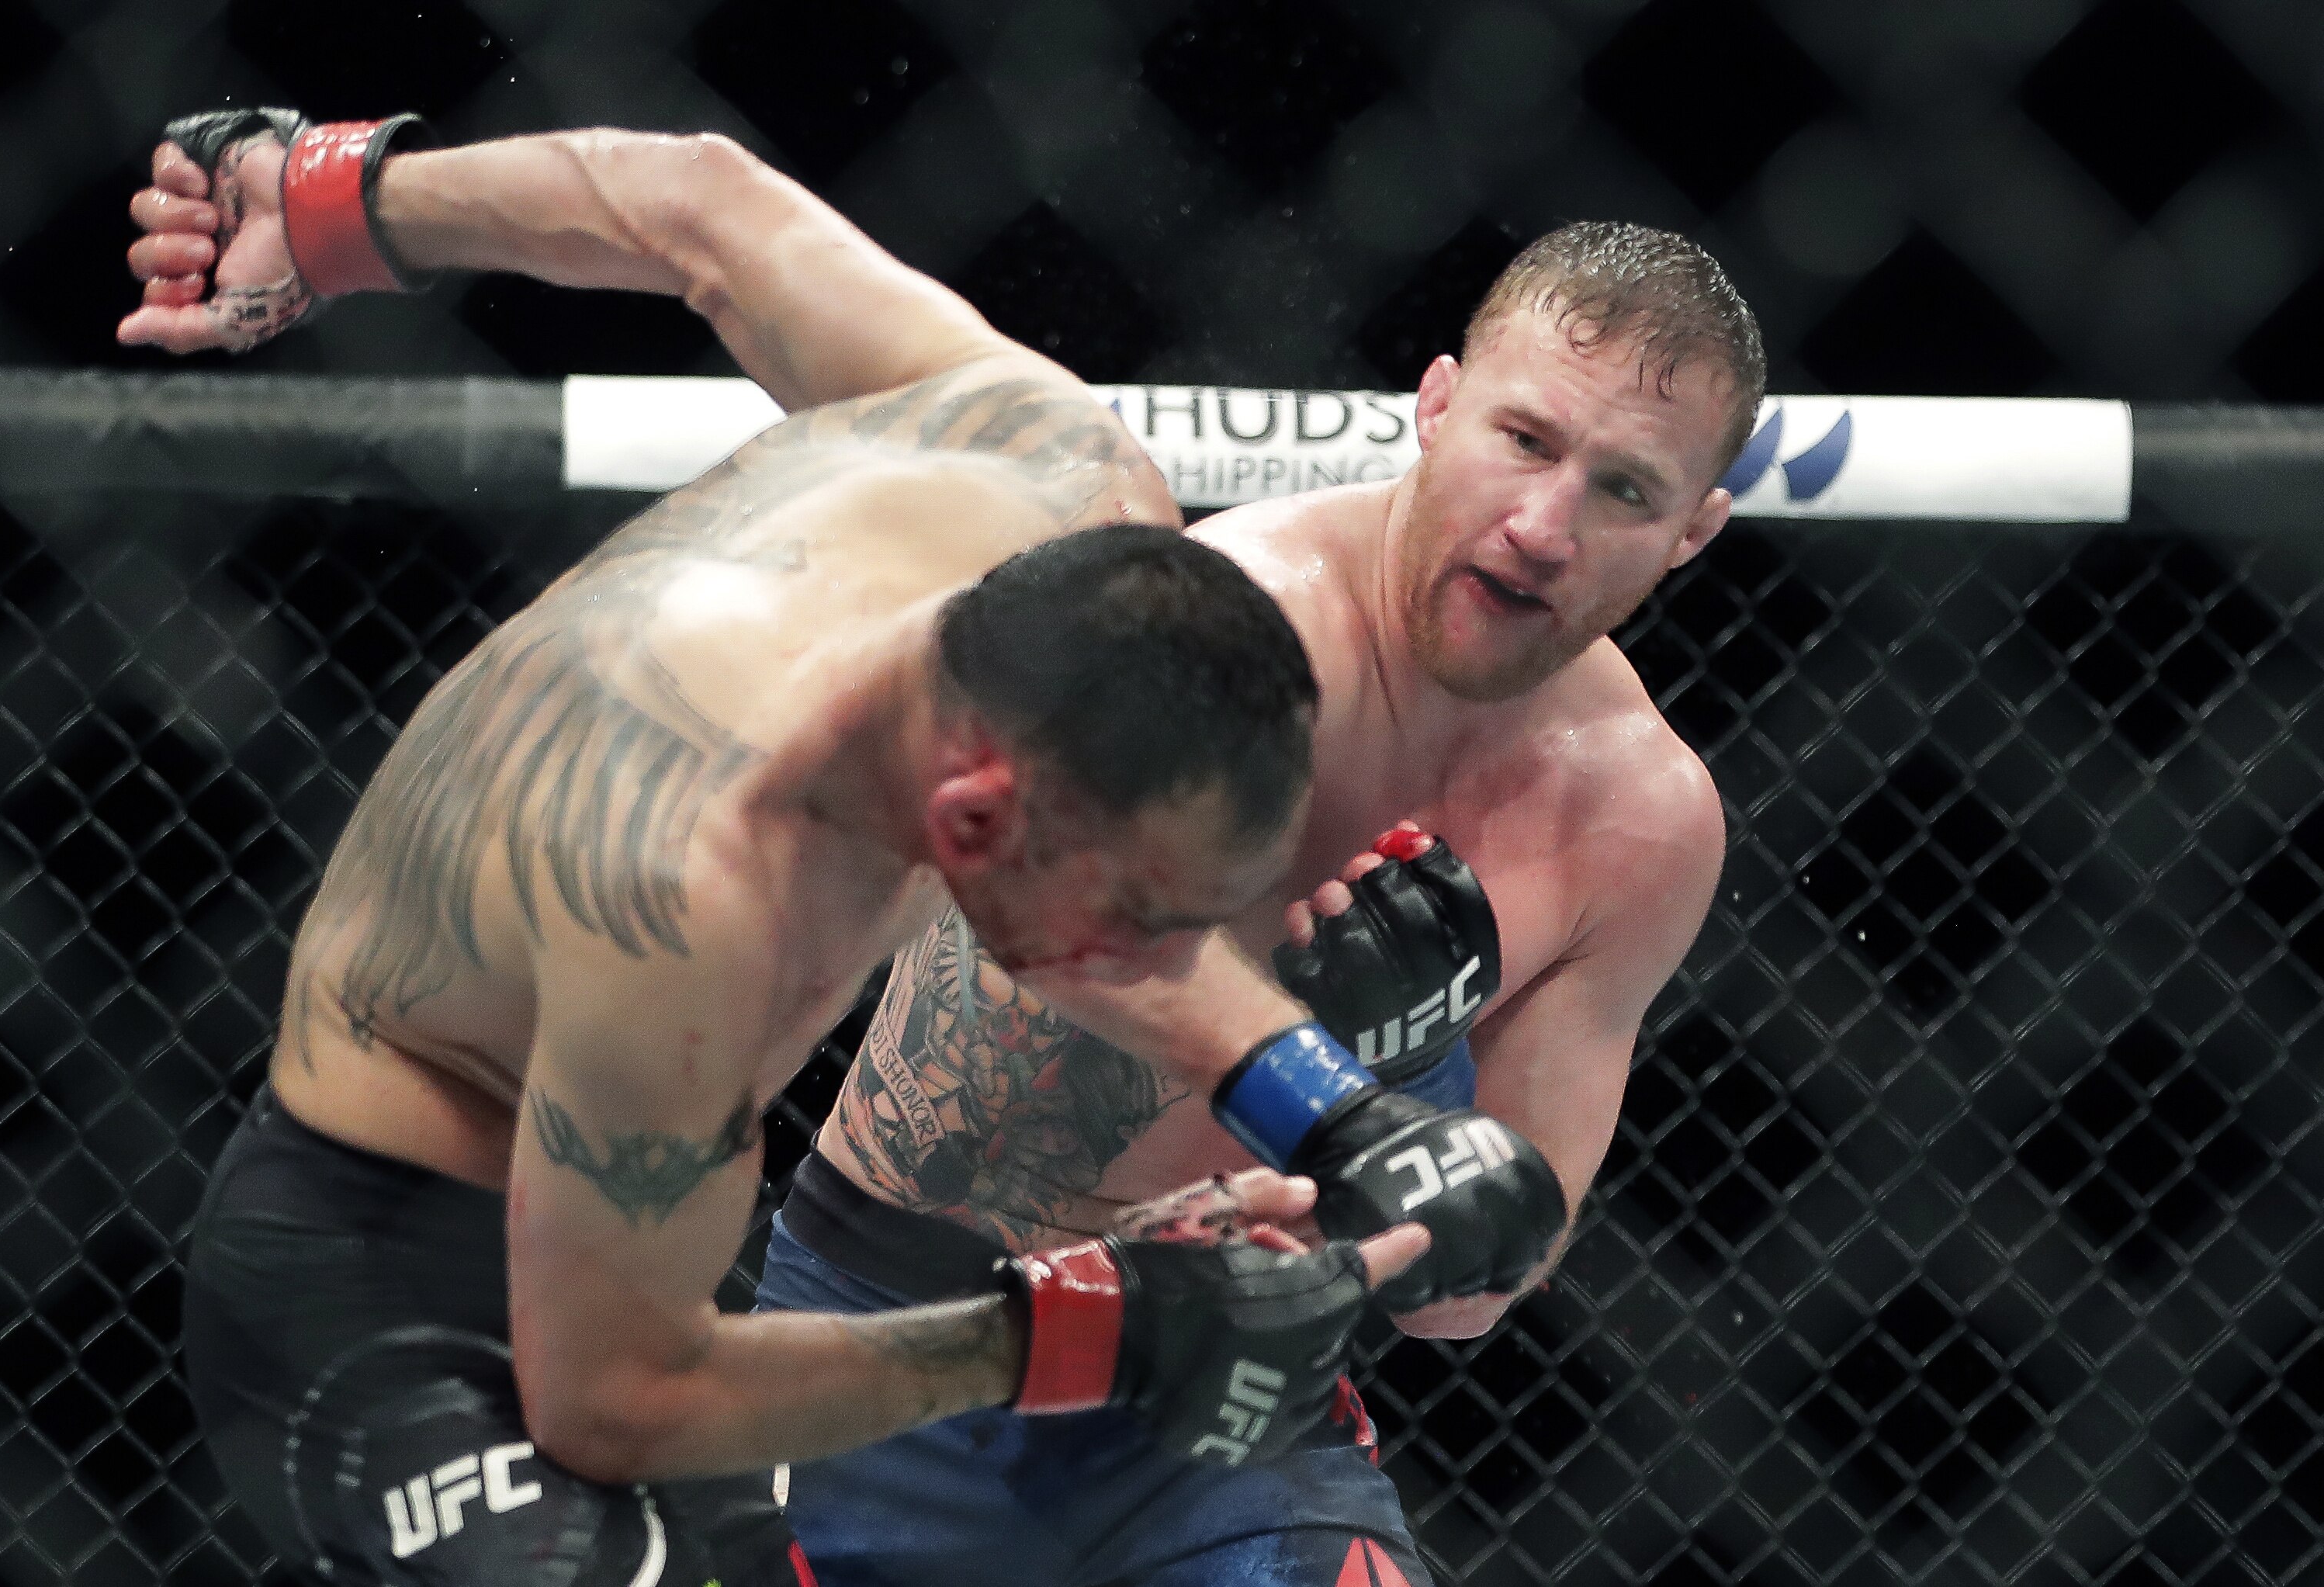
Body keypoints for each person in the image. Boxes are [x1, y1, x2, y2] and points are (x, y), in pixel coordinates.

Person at [124, 113, 1751, 1586]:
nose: (1145, 967)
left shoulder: (1061, 470)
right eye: (1132, 918)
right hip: (408, 1283)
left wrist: (334, 199)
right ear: (974, 830)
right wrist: (1086, 1328)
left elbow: (701, 200)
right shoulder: (681, 897)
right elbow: (612, 1395)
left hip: (688, 1258)